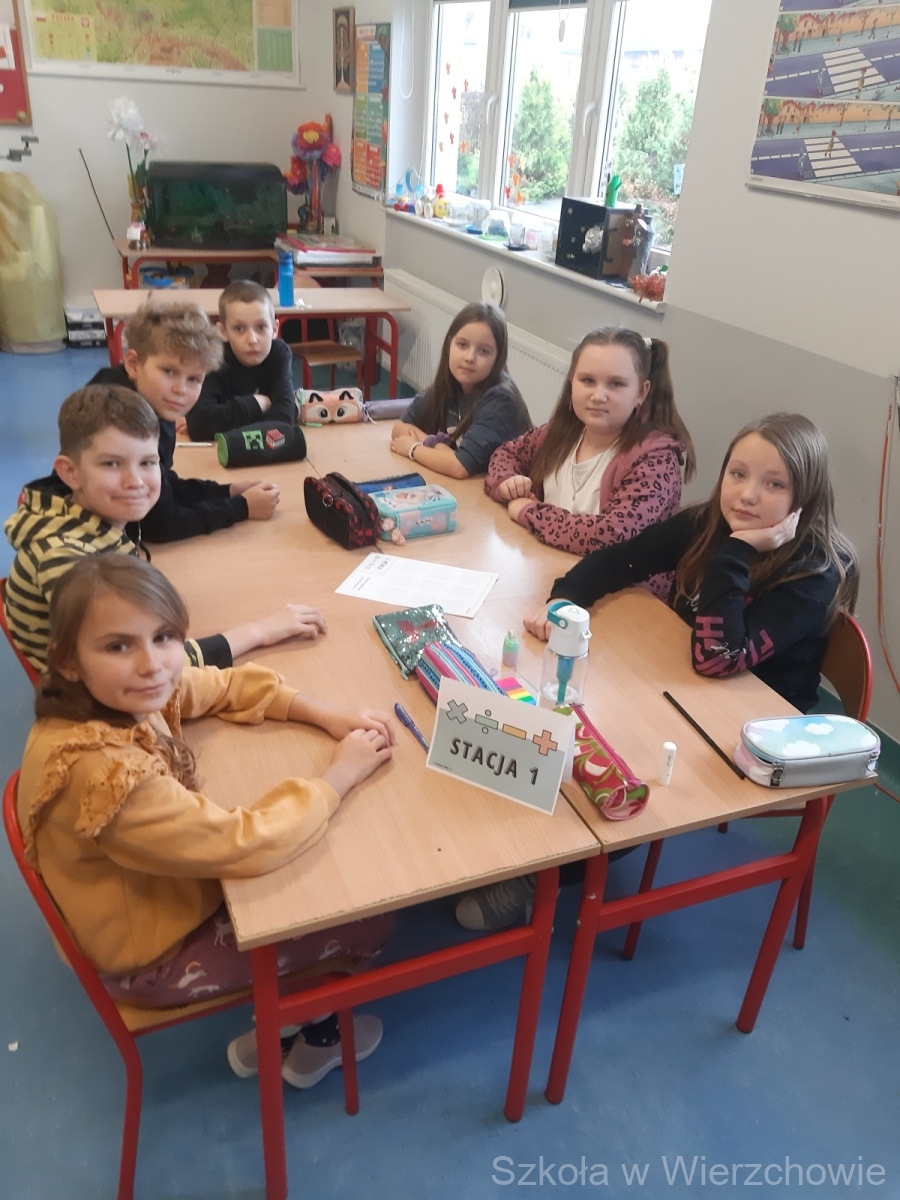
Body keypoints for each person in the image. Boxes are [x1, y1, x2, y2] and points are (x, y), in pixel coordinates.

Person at [458, 413, 858, 932]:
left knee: (638, 778)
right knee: (575, 725)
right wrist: (566, 597)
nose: (747, 494)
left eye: (774, 484)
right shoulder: (707, 523)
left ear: (806, 498)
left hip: (752, 725)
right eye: (737, 474)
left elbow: (717, 657)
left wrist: (737, 552)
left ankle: (544, 876)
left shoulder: (814, 572)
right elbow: (621, 559)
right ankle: (522, 839)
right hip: (684, 687)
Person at [17, 555, 397, 1086]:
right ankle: (312, 1029)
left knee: (308, 885)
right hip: (150, 958)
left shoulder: (104, 699)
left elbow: (209, 685)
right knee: (367, 916)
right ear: (67, 660)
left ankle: (287, 1018)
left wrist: (322, 712)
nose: (152, 665)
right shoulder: (107, 776)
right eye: (118, 646)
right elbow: (245, 843)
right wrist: (339, 776)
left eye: (164, 637)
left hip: (143, 901)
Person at [4, 385, 328, 675]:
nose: (135, 481)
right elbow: (146, 668)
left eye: (147, 462)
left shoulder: (92, 522)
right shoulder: (68, 562)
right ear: (70, 473)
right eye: (111, 464)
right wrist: (260, 631)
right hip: (93, 703)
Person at [484, 328, 695, 598]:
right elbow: (506, 454)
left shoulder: (656, 460)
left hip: (622, 597)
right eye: (587, 380)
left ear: (641, 392)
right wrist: (506, 482)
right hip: (551, 572)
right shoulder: (563, 432)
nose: (598, 395)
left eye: (616, 384)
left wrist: (531, 512)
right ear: (571, 380)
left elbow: (612, 537)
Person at [89, 302, 281, 542]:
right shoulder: (124, 422)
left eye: (194, 379)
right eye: (169, 372)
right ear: (134, 364)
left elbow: (163, 484)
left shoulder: (152, 401)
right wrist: (242, 507)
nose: (181, 390)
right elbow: (159, 525)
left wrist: (226, 492)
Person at [389, 302, 532, 478]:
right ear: (449, 344)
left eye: (483, 351)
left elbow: (459, 467)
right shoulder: (452, 383)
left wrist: (413, 448)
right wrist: (435, 444)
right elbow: (400, 428)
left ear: (498, 358)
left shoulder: (501, 400)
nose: (470, 357)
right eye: (462, 345)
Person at [185, 280, 296, 440]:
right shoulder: (215, 358)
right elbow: (199, 425)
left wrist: (225, 421)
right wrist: (256, 403)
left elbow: (284, 418)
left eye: (261, 327)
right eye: (239, 328)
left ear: (274, 329)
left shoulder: (278, 353)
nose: (252, 339)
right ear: (223, 332)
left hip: (257, 448)